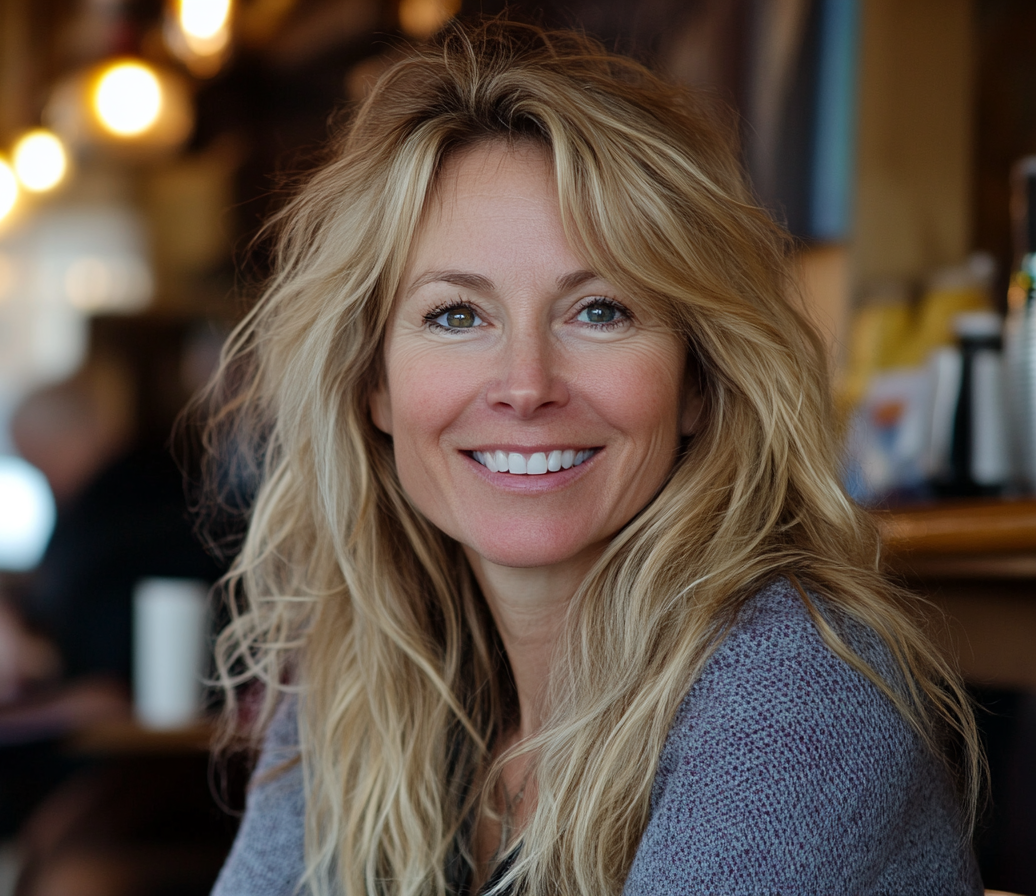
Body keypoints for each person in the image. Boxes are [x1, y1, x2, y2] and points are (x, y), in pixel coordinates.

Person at [202, 20, 981, 896]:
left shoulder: (795, 687)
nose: (525, 384)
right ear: (372, 384)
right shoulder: (367, 676)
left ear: (696, 380)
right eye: (458, 315)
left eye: (600, 311)